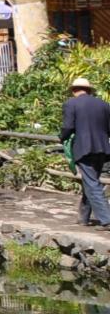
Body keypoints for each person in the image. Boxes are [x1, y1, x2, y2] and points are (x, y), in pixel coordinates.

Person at [62, 76, 110, 226]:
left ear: (74, 90)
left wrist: (62, 138)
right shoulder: (104, 104)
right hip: (102, 148)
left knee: (92, 183)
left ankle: (107, 220)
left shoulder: (71, 104)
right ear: (89, 90)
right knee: (90, 181)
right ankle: (84, 217)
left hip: (84, 148)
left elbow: (68, 126)